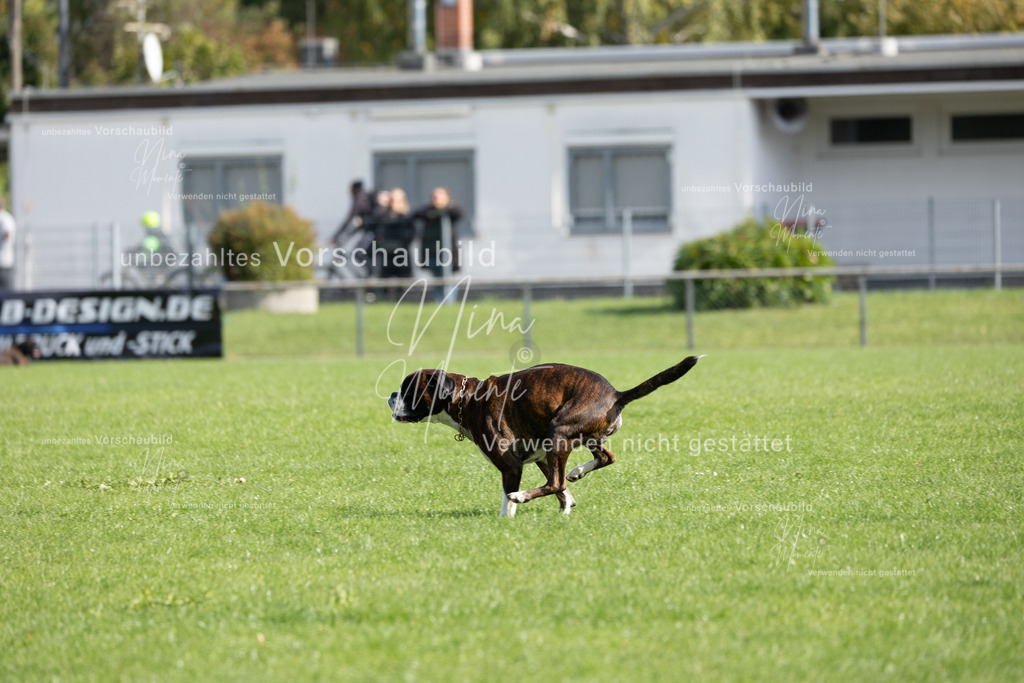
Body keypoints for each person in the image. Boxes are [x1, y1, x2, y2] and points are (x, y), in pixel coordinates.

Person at [413, 187, 464, 300]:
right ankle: (440, 302)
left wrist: (442, 210)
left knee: (448, 279)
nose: (436, 200)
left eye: (440, 197)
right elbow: (416, 214)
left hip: (448, 253)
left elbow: (459, 214)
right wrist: (435, 211)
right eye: (435, 197)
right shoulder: (428, 211)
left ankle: (449, 303)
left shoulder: (451, 211)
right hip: (432, 252)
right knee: (437, 279)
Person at [377, 188, 415, 280]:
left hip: (402, 255)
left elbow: (411, 235)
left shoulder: (407, 218)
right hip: (387, 255)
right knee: (384, 281)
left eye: (398, 201)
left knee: (404, 281)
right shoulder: (383, 217)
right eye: (392, 201)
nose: (394, 204)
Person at [0, 197, 17, 290]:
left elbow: (6, 235)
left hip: (4, 263)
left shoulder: (5, 219)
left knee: (5, 292)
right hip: (5, 262)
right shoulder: (7, 218)